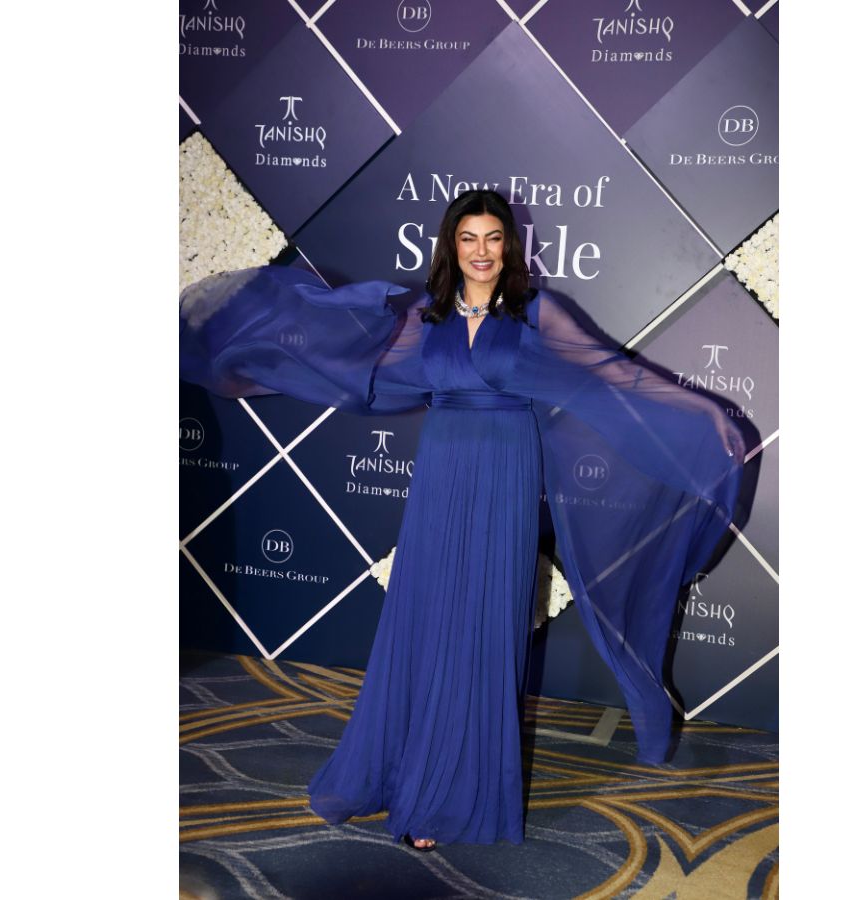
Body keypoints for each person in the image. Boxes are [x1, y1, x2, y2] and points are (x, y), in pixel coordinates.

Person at [179, 190, 745, 850]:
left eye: (493, 238)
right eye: (468, 238)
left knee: (485, 624)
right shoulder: (429, 312)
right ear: (451, 245)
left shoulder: (539, 311)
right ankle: (405, 769)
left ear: (510, 245)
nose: (481, 251)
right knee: (430, 617)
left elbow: (616, 375)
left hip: (506, 472)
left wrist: (704, 412)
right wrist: (267, 357)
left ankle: (447, 794)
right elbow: (355, 362)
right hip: (442, 474)